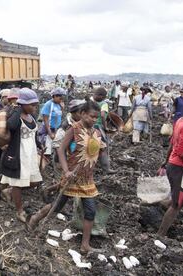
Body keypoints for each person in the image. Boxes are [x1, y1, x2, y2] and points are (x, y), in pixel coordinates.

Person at [28, 101, 105, 253]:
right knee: (57, 206)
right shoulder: (74, 129)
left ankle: (85, 245)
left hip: (87, 179)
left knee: (90, 210)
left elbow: (97, 152)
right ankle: (35, 219)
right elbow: (61, 150)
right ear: (82, 114)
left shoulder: (95, 132)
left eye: (96, 118)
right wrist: (66, 171)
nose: (94, 120)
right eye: (91, 116)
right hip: (72, 176)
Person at [0, 88, 42, 222]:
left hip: (30, 154)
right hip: (19, 154)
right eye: (32, 105)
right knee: (18, 183)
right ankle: (19, 211)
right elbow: (11, 126)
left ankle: (10, 191)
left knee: (35, 181)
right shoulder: (16, 116)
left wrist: (39, 145)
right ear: (23, 104)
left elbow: (34, 134)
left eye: (35, 105)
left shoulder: (32, 117)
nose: (34, 108)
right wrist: (18, 109)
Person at [158, 116, 183, 236]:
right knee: (177, 203)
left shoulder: (181, 120)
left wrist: (166, 162)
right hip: (180, 168)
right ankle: (160, 234)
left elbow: (172, 144)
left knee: (181, 200)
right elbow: (182, 152)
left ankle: (161, 207)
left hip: (174, 165)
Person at [52, 99, 86, 179]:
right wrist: (62, 164)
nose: (82, 115)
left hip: (76, 160)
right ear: (73, 113)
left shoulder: (82, 123)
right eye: (80, 113)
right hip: (64, 161)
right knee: (62, 180)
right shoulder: (65, 128)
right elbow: (58, 148)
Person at [92, 87, 116, 174]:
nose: (93, 96)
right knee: (103, 148)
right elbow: (102, 115)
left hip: (89, 126)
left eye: (94, 94)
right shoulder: (104, 104)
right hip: (98, 127)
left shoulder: (91, 103)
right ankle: (106, 169)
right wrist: (105, 127)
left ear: (101, 96)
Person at [39, 87, 65, 156]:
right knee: (47, 150)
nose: (61, 99)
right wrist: (50, 133)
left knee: (55, 148)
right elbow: (46, 120)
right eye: (60, 97)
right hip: (48, 130)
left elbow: (59, 116)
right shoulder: (48, 104)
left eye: (62, 97)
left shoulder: (59, 104)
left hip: (56, 129)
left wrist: (62, 108)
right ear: (54, 96)